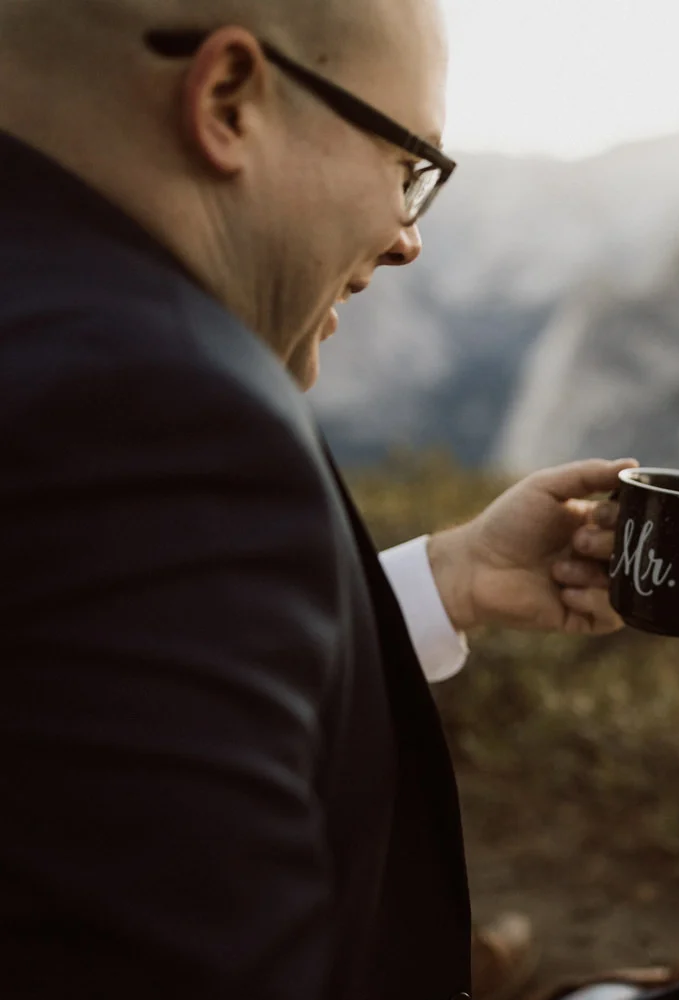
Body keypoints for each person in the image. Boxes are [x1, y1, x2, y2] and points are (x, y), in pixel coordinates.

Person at [0, 2, 633, 998]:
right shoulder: (152, 414)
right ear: (228, 100)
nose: (406, 240)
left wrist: (446, 581)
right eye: (406, 164)